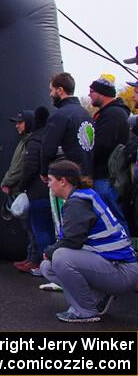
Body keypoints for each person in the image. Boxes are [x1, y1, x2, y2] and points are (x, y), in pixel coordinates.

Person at [40, 160, 138, 322]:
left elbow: (71, 241)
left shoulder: (77, 203)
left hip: (122, 271)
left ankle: (85, 310)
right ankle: (98, 297)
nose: (49, 185)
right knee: (48, 267)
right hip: (118, 266)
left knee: (60, 257)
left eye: (51, 180)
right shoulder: (84, 195)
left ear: (63, 181)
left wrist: (48, 252)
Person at [88, 74, 130, 230]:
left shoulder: (112, 114)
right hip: (107, 176)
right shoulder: (111, 113)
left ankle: (125, 252)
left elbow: (102, 145)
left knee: (113, 219)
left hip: (107, 177)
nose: (89, 95)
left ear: (101, 93)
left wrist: (86, 157)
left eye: (91, 91)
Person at [15, 106, 54, 275]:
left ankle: (43, 263)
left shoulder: (34, 141)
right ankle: (39, 260)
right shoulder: (50, 137)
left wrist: (22, 185)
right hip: (50, 190)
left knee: (40, 229)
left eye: (20, 122)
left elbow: (30, 166)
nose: (17, 126)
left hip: (37, 192)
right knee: (46, 228)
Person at [40, 72, 94, 178]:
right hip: (88, 174)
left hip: (69, 177)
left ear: (60, 90)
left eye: (51, 90)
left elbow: (48, 149)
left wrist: (44, 172)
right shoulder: (85, 113)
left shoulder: (59, 115)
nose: (50, 94)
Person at [2, 110, 36, 271]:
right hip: (18, 188)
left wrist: (7, 181)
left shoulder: (29, 142)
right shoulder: (24, 141)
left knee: (32, 227)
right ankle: (30, 257)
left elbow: (19, 167)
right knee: (28, 226)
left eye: (20, 122)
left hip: (23, 189)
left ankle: (34, 259)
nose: (17, 126)